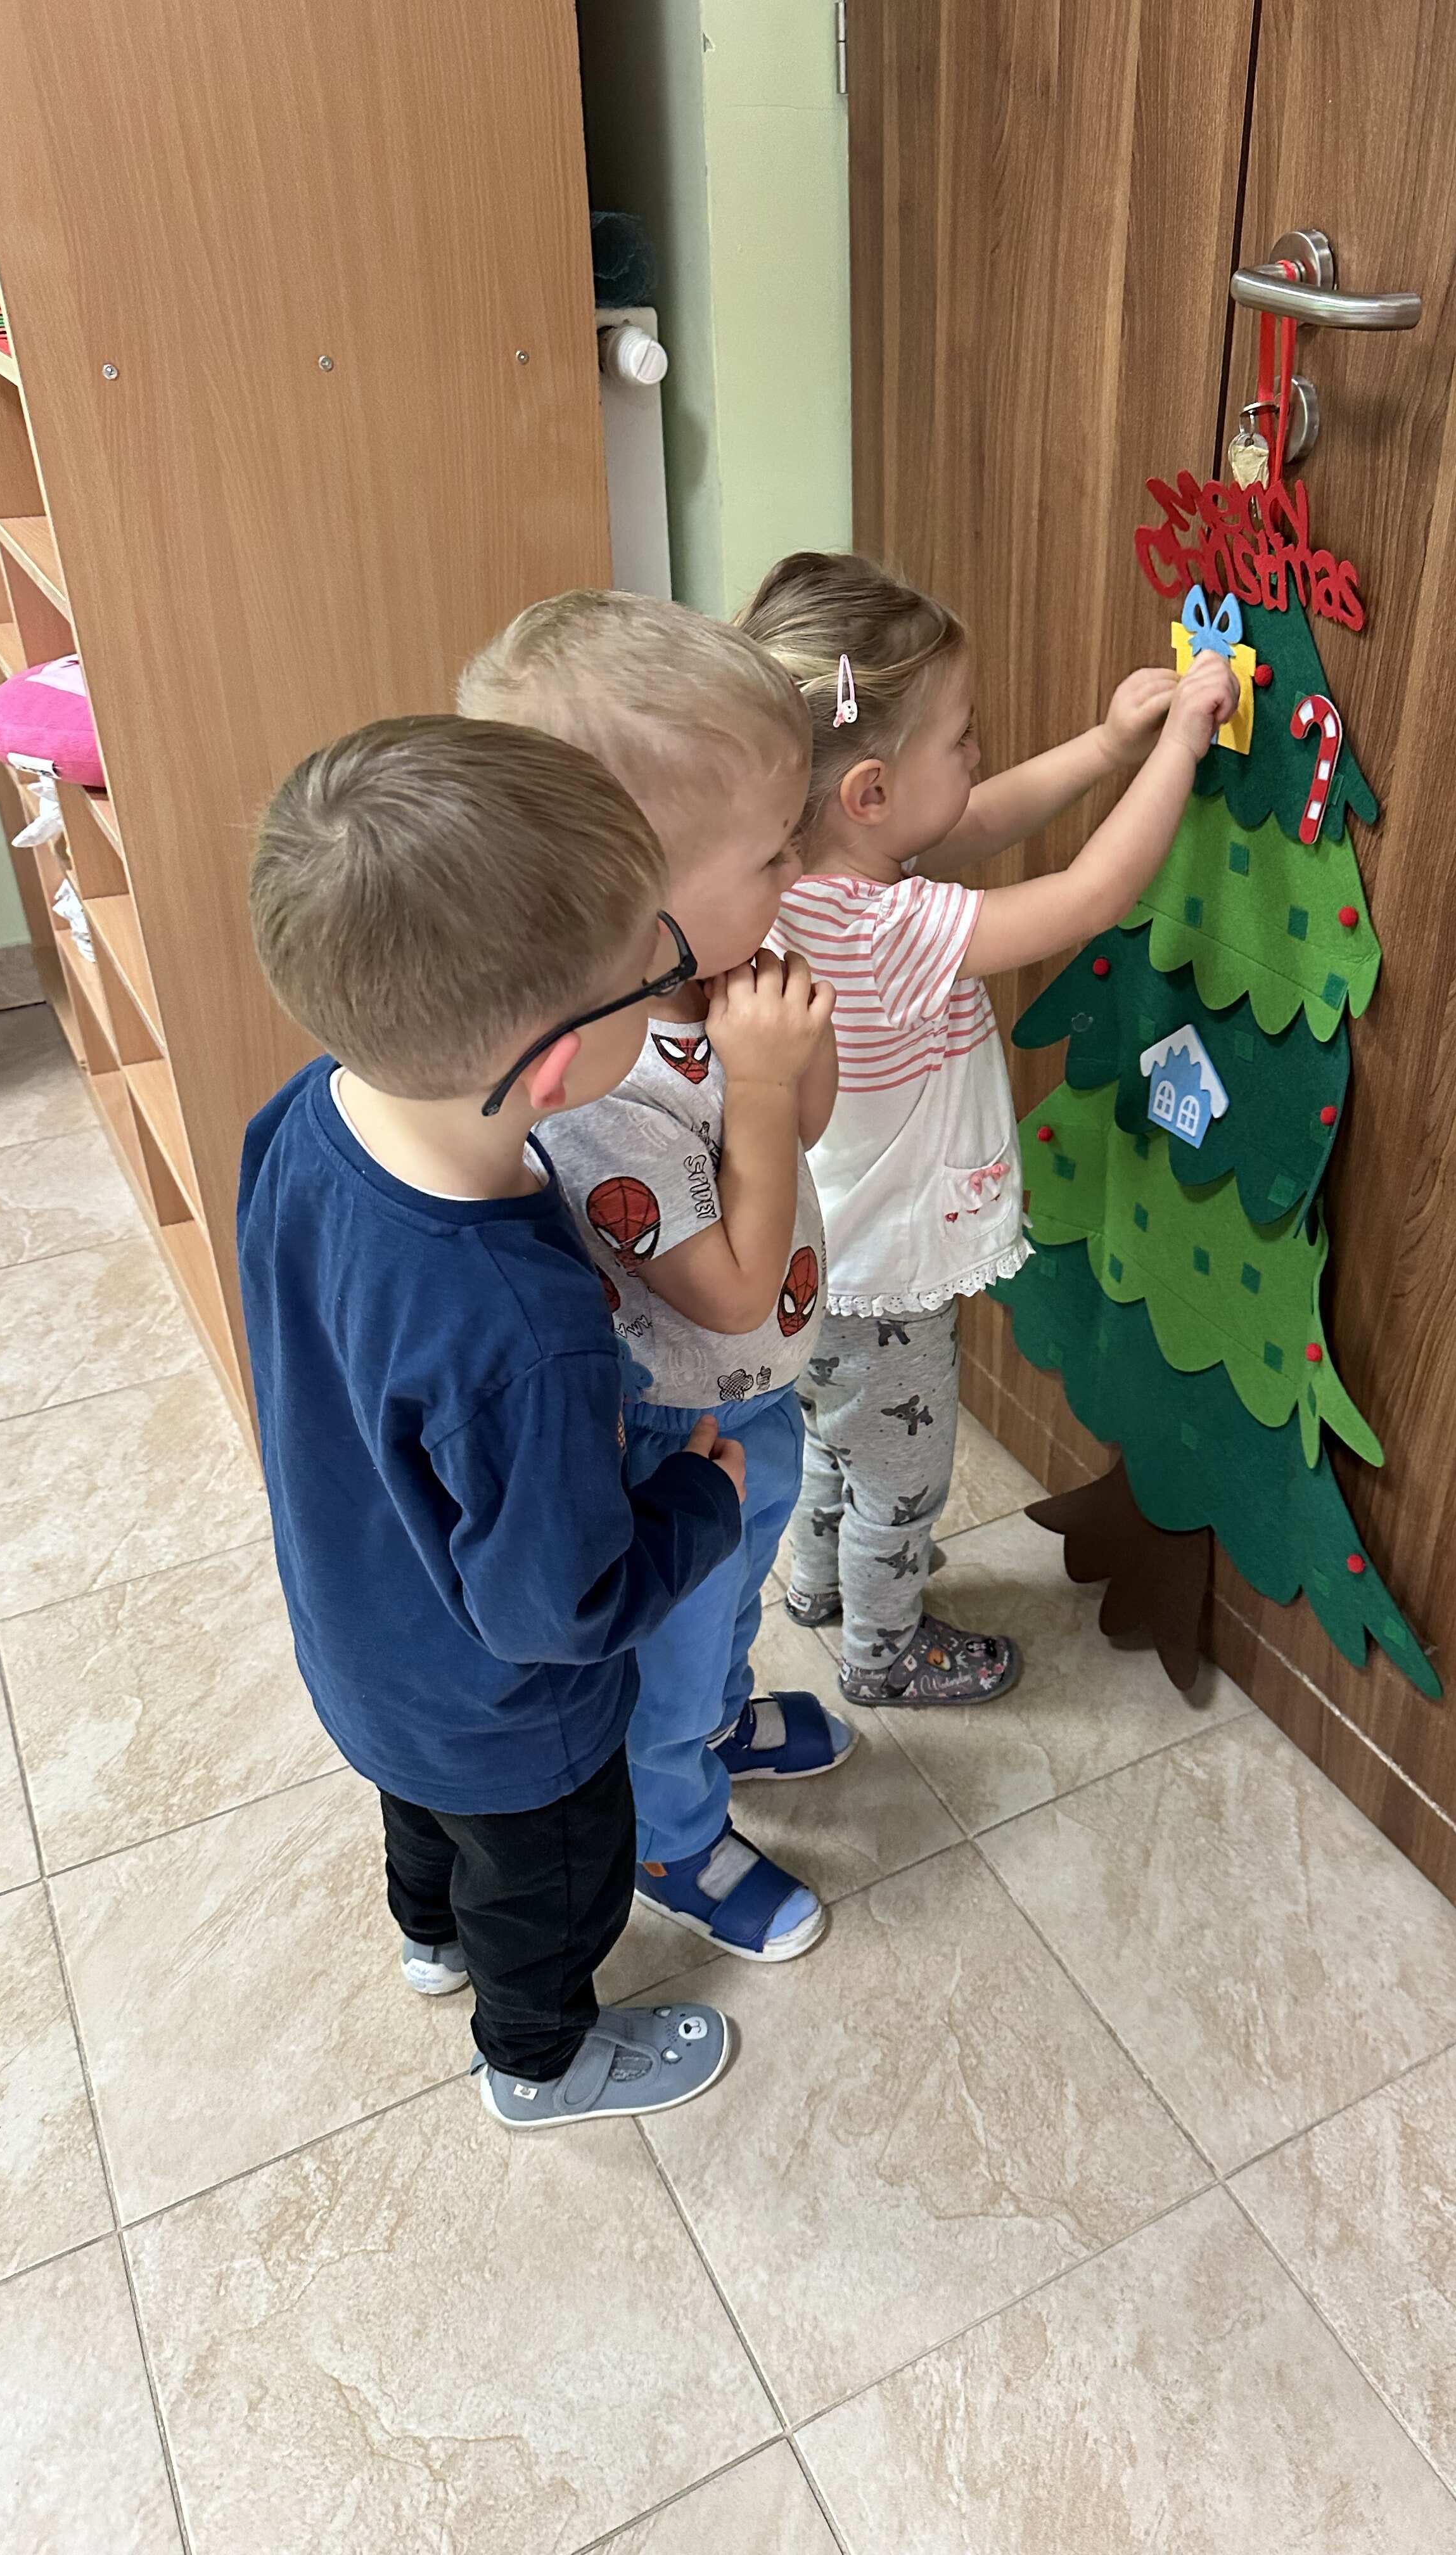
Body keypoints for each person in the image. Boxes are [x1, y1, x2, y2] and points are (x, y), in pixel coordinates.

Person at [238, 714, 747, 2127]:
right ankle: (538, 2059)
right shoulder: (524, 1330)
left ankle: (428, 1939)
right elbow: (557, 1608)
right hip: (513, 1722)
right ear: (558, 1069)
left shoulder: (303, 1115)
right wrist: (698, 1506)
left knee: (422, 1816)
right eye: (655, 960)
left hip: (362, 1640)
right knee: (548, 1889)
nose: (675, 964)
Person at [743, 552, 1237, 1703]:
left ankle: (816, 1585)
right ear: (870, 791)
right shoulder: (887, 928)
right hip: (888, 1279)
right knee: (905, 1481)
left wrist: (1106, 746)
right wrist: (1178, 746)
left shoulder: (805, 879)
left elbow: (975, 819)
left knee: (837, 1441)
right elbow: (1088, 898)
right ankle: (883, 1654)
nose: (978, 756)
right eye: (962, 736)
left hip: (821, 1266)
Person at [458, 595, 850, 1965]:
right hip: (668, 1430)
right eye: (772, 850)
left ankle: (718, 1724)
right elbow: (731, 1289)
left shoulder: (715, 987)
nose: (803, 865)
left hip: (754, 1401)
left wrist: (788, 1052)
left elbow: (808, 1128)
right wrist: (758, 1080)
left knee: (732, 1607)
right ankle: (673, 1836)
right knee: (669, 1657)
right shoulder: (602, 1087)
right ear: (638, 899)